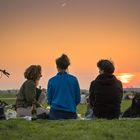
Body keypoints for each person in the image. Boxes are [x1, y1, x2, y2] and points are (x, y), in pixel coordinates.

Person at [47, 54, 81, 120]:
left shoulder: (51, 81)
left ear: (57, 66)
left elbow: (49, 100)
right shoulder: (74, 79)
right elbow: (78, 99)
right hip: (70, 114)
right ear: (67, 66)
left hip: (55, 114)